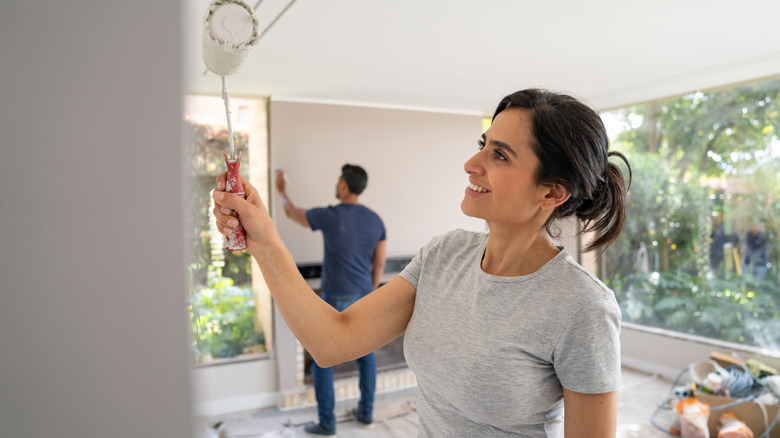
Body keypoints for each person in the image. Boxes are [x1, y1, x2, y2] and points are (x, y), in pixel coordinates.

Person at [212, 88, 632, 437]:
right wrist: (264, 242)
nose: (472, 165)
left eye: (500, 155)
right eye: (483, 146)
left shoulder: (583, 307)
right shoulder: (444, 255)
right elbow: (331, 342)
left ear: (552, 193)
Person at [274, 164, 387, 437]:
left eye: (339, 181)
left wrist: (281, 191)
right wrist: (368, 292)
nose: (336, 185)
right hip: (364, 296)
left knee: (323, 358)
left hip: (335, 296)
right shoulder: (375, 220)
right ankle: (366, 413)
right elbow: (380, 263)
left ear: (345, 185)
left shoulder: (331, 216)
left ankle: (327, 423)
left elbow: (292, 213)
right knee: (366, 357)